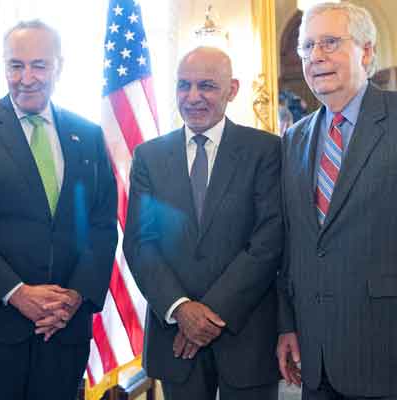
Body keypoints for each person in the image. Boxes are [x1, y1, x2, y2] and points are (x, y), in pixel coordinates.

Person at [276, 2, 397, 399]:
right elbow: (294, 245)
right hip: (317, 360)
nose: (316, 56)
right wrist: (287, 324)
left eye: (329, 42)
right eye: (307, 47)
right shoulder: (294, 139)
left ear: (367, 51)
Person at [0, 20, 117, 400]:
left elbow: (100, 224)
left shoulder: (87, 134)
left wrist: (74, 297)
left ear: (59, 66)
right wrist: (16, 292)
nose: (27, 78)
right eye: (15, 65)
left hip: (62, 333)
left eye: (39, 65)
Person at [122, 46, 282, 400]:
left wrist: (208, 315)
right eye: (183, 85)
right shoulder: (149, 156)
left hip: (247, 338)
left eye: (207, 86)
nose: (192, 97)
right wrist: (181, 310)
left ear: (233, 89)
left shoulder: (266, 150)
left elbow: (268, 241)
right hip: (175, 342)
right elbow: (139, 242)